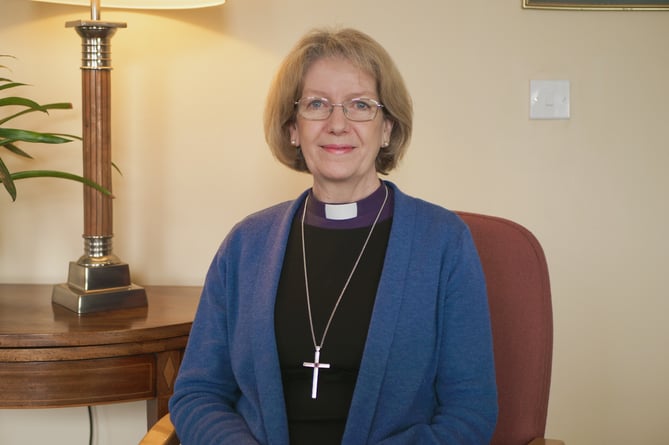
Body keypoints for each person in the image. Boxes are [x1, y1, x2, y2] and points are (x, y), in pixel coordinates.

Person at [169, 27, 498, 444]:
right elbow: (198, 393)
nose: (337, 124)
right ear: (293, 128)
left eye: (360, 105)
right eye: (317, 105)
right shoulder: (245, 245)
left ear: (387, 129)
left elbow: (470, 412)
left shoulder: (444, 244)